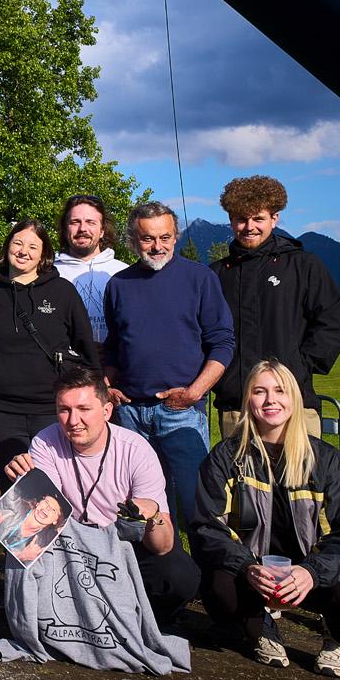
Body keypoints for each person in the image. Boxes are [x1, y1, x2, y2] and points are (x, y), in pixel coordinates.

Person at [194, 361, 340, 677]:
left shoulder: (326, 460)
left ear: (294, 398)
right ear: (247, 400)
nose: (270, 400)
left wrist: (311, 572)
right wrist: (247, 567)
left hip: (310, 575)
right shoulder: (226, 457)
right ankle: (259, 627)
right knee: (218, 587)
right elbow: (206, 528)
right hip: (257, 574)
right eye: (259, 391)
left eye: (280, 391)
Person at [4, 366, 201, 627]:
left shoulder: (137, 450)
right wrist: (25, 486)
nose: (73, 420)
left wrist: (153, 513)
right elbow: (43, 522)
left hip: (123, 545)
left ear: (106, 411)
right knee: (26, 563)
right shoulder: (45, 443)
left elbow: (163, 545)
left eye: (84, 409)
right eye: (64, 410)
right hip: (70, 547)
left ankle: (148, 623)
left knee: (179, 575)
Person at [103, 201, 235, 528]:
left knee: (197, 506)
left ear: (175, 237)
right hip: (131, 413)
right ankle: (163, 562)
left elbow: (223, 343)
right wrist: (107, 386)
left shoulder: (200, 278)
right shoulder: (118, 285)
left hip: (182, 412)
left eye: (165, 237)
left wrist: (194, 393)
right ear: (133, 240)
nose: (157, 246)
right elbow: (115, 345)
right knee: (149, 512)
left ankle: (208, 562)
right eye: (148, 238)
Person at [0, 219, 99, 484]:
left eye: (32, 246)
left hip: (54, 410)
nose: (23, 251)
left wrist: (90, 398)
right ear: (7, 247)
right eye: (17, 243)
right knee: (14, 488)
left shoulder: (63, 292)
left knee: (57, 488)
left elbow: (86, 349)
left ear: (43, 255)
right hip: (2, 412)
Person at [209, 175, 340, 414]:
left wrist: (297, 370)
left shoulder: (304, 266)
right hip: (235, 407)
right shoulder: (215, 275)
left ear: (274, 219)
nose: (249, 227)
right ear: (230, 220)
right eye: (241, 219)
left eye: (258, 218)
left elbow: (331, 323)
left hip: (293, 402)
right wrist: (222, 380)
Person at [53, 194, 128, 357]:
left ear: (102, 231)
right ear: (65, 230)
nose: (82, 229)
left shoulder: (123, 274)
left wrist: (112, 351)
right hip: (63, 368)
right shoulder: (48, 273)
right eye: (75, 222)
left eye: (90, 222)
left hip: (113, 368)